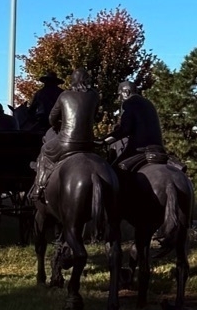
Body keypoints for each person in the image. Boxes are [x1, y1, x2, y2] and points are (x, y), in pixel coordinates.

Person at [28, 71, 97, 209]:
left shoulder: (60, 95)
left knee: (44, 150)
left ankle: (39, 187)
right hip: (88, 143)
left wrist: (56, 126)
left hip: (66, 141)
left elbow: (50, 118)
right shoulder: (94, 95)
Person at [106, 76, 166, 172]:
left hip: (139, 149)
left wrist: (104, 140)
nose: (119, 98)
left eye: (119, 94)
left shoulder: (128, 103)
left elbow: (125, 130)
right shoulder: (149, 103)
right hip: (159, 149)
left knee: (112, 172)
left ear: (126, 92)